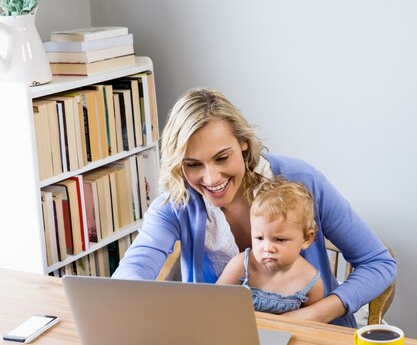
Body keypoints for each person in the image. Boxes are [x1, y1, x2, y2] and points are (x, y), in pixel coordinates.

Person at [112, 87, 396, 328]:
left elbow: (378, 263)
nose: (211, 179)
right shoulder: (177, 201)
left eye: (222, 158)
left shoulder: (302, 180)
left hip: (318, 340)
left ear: (244, 143)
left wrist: (312, 315)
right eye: (193, 165)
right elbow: (134, 269)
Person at [217, 178, 325, 314]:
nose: (267, 248)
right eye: (259, 238)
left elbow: (312, 325)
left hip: (289, 335)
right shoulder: (241, 266)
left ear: (306, 239)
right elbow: (215, 304)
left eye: (279, 239)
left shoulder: (310, 282)